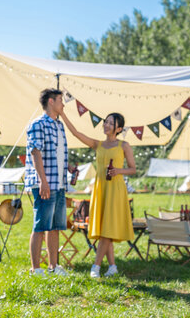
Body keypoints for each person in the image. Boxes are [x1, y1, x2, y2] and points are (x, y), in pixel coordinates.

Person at [60, 110, 136, 278]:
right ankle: (113, 267)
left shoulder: (124, 146)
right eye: (106, 122)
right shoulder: (98, 144)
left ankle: (95, 266)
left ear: (119, 128)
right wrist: (63, 114)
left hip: (115, 189)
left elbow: (133, 169)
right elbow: (76, 133)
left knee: (106, 230)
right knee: (104, 229)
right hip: (100, 188)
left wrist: (118, 170)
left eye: (111, 123)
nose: (106, 125)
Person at [25, 88, 74, 276]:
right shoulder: (38, 124)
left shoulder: (59, 126)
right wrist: (42, 181)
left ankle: (53, 266)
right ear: (51, 102)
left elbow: (56, 153)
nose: (63, 104)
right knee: (40, 226)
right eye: (61, 100)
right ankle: (35, 268)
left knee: (55, 227)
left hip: (59, 182)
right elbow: (35, 152)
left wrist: (68, 167)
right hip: (45, 183)